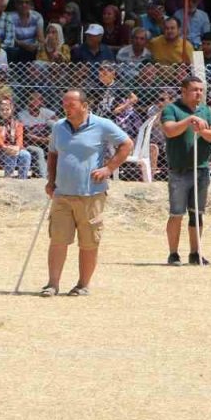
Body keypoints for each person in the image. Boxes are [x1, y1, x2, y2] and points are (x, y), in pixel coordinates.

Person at [43, 89, 134, 297]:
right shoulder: (58, 127)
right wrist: (50, 181)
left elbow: (126, 144)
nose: (66, 108)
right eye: (64, 104)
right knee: (57, 240)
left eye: (71, 105)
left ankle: (82, 285)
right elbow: (53, 155)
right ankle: (52, 284)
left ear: (84, 106)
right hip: (62, 194)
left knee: (89, 241)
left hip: (91, 195)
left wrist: (108, 169)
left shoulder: (102, 125)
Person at [161, 76, 211, 266]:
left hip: (200, 169)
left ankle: (195, 252)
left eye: (201, 90)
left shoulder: (206, 111)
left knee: (197, 213)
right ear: (184, 91)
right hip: (179, 170)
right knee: (176, 213)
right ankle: (173, 253)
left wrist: (201, 131)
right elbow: (169, 130)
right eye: (195, 89)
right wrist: (188, 121)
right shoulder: (171, 109)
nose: (199, 93)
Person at [0, 97, 32, 179]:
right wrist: (5, 147)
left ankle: (22, 178)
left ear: (12, 109)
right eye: (2, 110)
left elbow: (20, 138)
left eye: (7, 109)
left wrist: (17, 147)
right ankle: (8, 177)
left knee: (26, 154)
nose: (5, 112)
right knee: (11, 154)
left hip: (15, 150)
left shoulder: (17, 123)